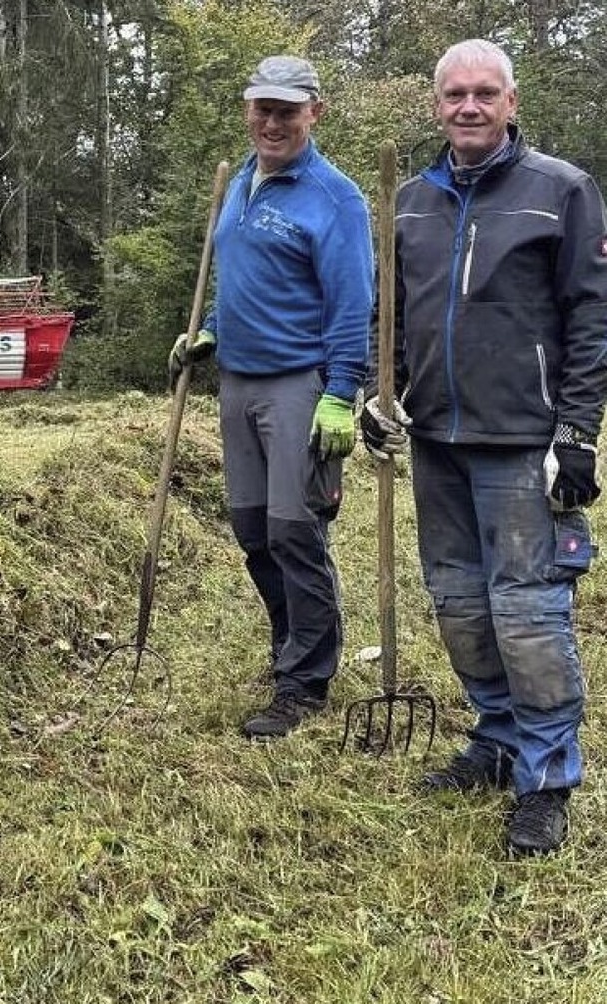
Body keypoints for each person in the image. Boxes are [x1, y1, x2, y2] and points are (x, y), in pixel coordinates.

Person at [361, 38, 607, 856]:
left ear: (511, 102)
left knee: (528, 612)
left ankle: (545, 778)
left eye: (485, 93)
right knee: (460, 604)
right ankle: (498, 740)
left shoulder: (561, 192)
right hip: (435, 438)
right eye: (455, 93)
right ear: (437, 104)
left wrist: (576, 432)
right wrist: (378, 391)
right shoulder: (410, 201)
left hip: (521, 442)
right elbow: (389, 314)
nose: (469, 106)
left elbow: (590, 320)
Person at [169, 55, 374, 739]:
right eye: (263, 107)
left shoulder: (334, 196)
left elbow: (353, 304)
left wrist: (343, 391)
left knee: (295, 531)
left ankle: (305, 682)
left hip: (300, 385)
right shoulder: (241, 181)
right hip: (238, 382)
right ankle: (290, 648)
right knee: (254, 531)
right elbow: (239, 280)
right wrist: (209, 331)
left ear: (315, 112)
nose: (272, 121)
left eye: (288, 110)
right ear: (247, 109)